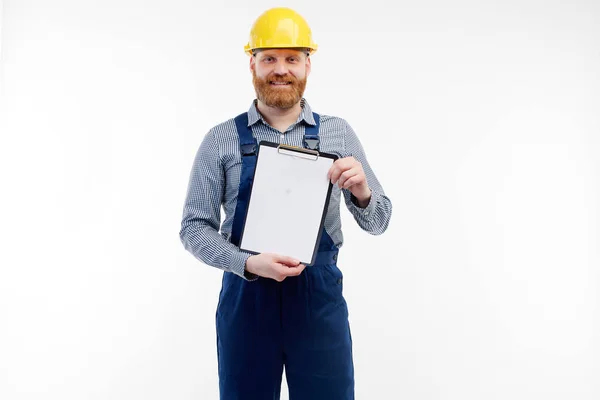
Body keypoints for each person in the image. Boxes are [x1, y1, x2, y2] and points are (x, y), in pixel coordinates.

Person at [179, 7, 392, 400]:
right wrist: (246, 263)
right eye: (269, 58)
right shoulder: (220, 140)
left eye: (292, 58)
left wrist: (362, 192)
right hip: (247, 300)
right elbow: (193, 227)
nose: (281, 69)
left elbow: (379, 220)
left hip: (318, 301)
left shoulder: (337, 133)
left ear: (308, 65)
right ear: (252, 64)